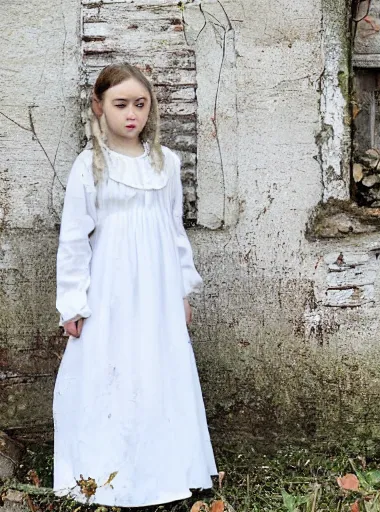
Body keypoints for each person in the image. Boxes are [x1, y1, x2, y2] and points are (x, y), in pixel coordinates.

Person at [53, 63, 217, 507]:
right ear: (99, 107)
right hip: (110, 290)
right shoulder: (89, 166)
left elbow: (174, 231)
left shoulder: (166, 164)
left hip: (158, 290)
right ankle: (108, 475)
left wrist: (182, 290)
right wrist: (72, 302)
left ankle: (168, 471)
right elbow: (73, 239)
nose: (131, 114)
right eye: (120, 104)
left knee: (159, 369)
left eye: (140, 104)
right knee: (113, 370)